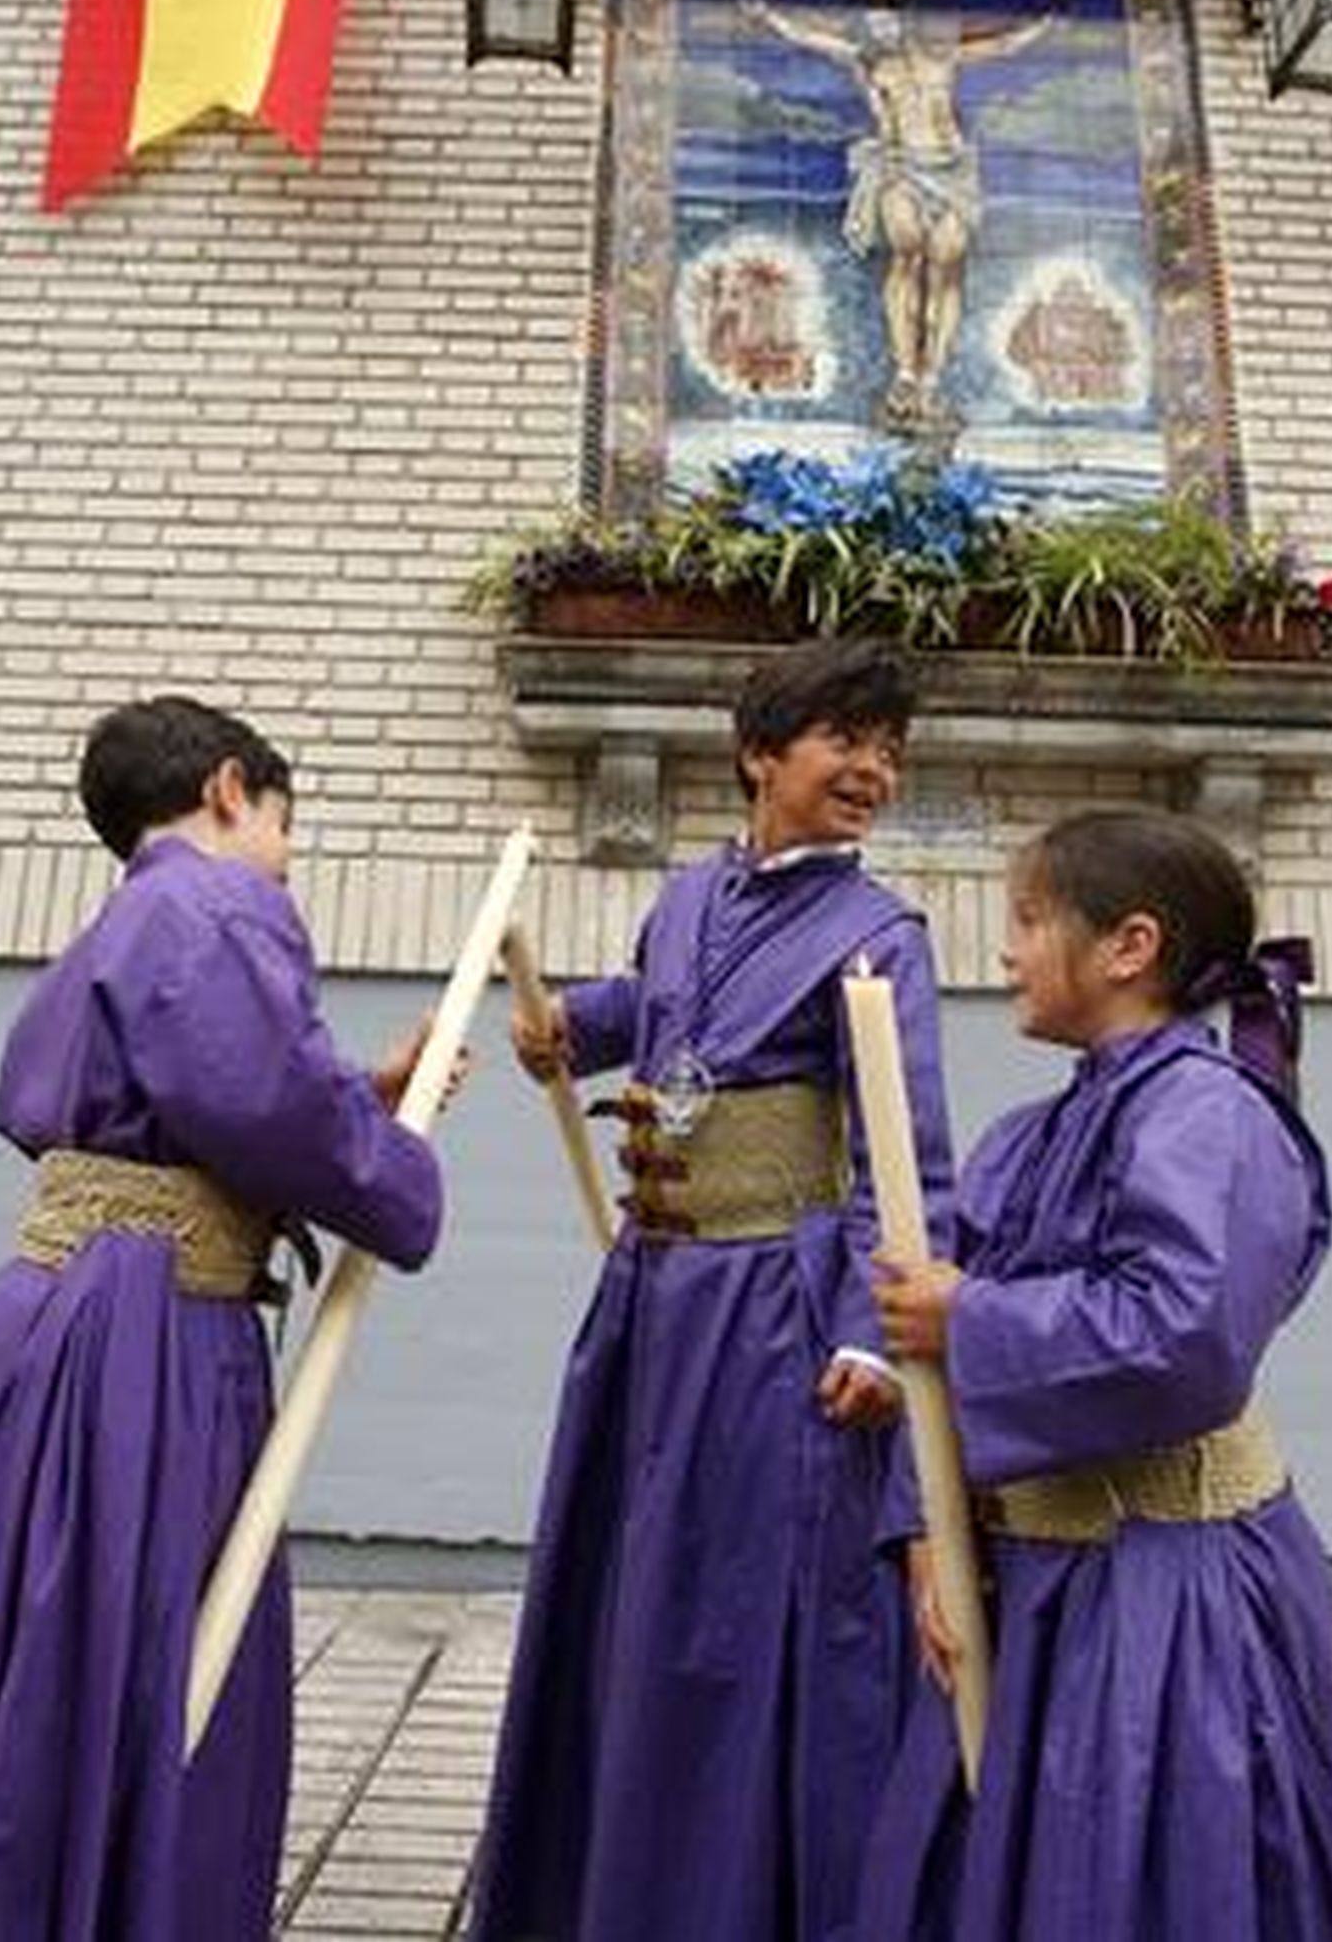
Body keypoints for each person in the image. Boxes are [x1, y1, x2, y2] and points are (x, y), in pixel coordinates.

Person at [0, 695, 450, 1940]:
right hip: (137, 1353)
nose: (288, 862)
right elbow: (269, 1117)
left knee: (6, 1658)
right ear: (233, 790)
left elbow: (188, 1104)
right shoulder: (218, 901)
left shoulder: (125, 922)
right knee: (132, 1667)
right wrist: (394, 1164)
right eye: (288, 829)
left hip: (31, 1329)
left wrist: (362, 1096)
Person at [467, 636, 956, 1942]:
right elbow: (665, 1007)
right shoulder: (685, 895)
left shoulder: (881, 935)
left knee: (741, 1618)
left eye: (888, 749)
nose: (872, 768)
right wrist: (578, 1022)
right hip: (651, 1302)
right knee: (632, 1598)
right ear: (759, 752)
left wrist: (870, 1334)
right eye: (844, 739)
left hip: (773, 1323)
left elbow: (910, 1160)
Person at [864, 806, 1332, 1942]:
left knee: (1151, 1887)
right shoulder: (1028, 1136)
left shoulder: (1209, 1118)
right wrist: (923, 1531)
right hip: (1034, 1585)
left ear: (1128, 946)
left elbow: (1184, 1337)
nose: (1004, 949)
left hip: (1173, 1594)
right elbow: (942, 1357)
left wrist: (971, 1314)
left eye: (1029, 919)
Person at [746, 0, 1051, 429]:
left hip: (952, 172)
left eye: (889, 21)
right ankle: (905, 375)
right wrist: (770, 16)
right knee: (907, 258)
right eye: (874, 23)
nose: (882, 29)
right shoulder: (867, 63)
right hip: (902, 168)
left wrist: (1044, 25)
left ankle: (931, 380)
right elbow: (813, 39)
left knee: (945, 272)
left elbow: (1002, 47)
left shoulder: (943, 59)